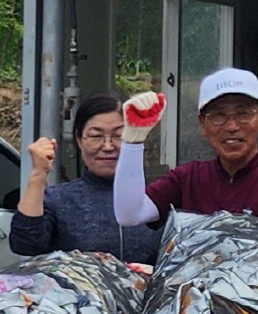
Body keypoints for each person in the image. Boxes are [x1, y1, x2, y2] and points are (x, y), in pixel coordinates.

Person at [113, 67, 258, 242]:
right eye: (219, 116)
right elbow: (130, 215)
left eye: (243, 114)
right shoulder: (188, 177)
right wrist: (133, 139)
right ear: (202, 125)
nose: (232, 126)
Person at [11, 93, 160, 263]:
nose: (108, 146)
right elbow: (24, 244)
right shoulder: (58, 199)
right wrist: (38, 174)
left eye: (120, 136)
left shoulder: (156, 198)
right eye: (96, 136)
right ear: (79, 140)